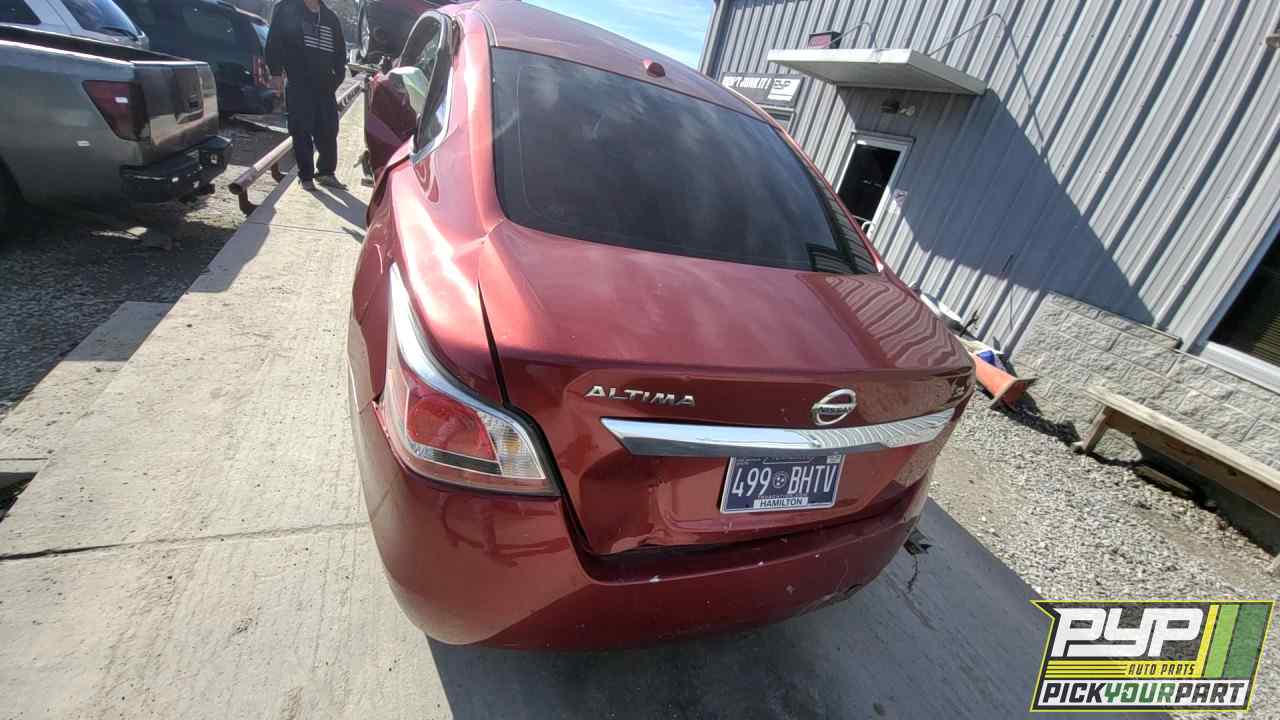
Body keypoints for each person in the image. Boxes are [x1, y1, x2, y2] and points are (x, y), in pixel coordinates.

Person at [264, 0, 347, 191]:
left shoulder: (330, 17)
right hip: (299, 83)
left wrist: (337, 78)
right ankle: (306, 175)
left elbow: (340, 52)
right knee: (301, 129)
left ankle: (326, 172)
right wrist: (276, 73)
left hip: (325, 86)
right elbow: (274, 42)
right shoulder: (286, 9)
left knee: (329, 129)